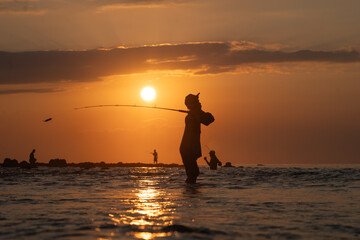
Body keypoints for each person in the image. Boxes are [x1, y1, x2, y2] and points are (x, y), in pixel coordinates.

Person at [180, 93, 214, 184]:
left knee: (193, 173)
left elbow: (210, 119)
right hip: (188, 148)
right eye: (197, 101)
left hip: (189, 147)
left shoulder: (196, 114)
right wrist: (198, 113)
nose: (200, 103)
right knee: (193, 173)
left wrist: (199, 112)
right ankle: (190, 194)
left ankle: (191, 194)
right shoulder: (191, 117)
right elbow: (207, 120)